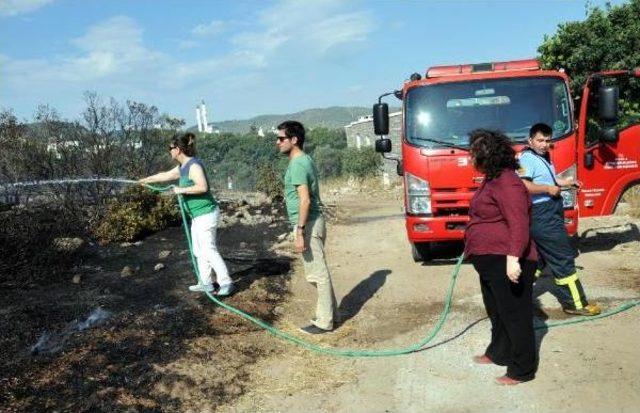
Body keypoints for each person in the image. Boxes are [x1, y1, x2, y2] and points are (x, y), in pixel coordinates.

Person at [465, 129, 538, 385]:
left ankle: (522, 369)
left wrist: (513, 258)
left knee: (515, 314)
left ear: (486, 155)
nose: (469, 159)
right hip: (489, 260)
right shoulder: (492, 179)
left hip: (507, 259)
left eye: (473, 154)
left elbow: (519, 222)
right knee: (497, 311)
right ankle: (499, 353)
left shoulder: (507, 182)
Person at [518, 123, 600, 316]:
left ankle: (515, 296)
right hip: (543, 215)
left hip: (549, 213)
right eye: (540, 140)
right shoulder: (526, 159)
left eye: (547, 140)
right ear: (530, 141)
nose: (545, 144)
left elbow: (552, 181)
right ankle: (575, 304)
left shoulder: (543, 158)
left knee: (537, 260)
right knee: (563, 258)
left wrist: (568, 182)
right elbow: (523, 184)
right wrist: (547, 190)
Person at [139, 132, 233, 296]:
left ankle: (226, 282)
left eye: (170, 148)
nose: (169, 151)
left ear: (178, 149)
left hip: (206, 213)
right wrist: (145, 180)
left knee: (208, 249)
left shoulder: (193, 166)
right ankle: (206, 283)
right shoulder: (182, 167)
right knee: (199, 250)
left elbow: (202, 187)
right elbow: (165, 176)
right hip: (197, 216)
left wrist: (181, 190)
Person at [276, 120, 337, 335]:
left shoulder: (298, 164)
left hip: (308, 224)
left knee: (317, 274)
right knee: (317, 273)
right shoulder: (303, 160)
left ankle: (324, 321)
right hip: (311, 222)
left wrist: (300, 231)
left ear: (294, 140)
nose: (278, 142)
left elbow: (305, 200)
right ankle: (330, 314)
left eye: (281, 138)